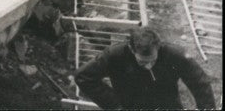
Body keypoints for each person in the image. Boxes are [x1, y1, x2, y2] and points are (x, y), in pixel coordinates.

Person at [75, 26, 216, 110]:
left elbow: (200, 83)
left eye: (153, 61)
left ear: (158, 47)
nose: (148, 66)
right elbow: (83, 76)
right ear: (131, 49)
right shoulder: (115, 55)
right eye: (142, 63)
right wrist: (114, 105)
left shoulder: (174, 55)